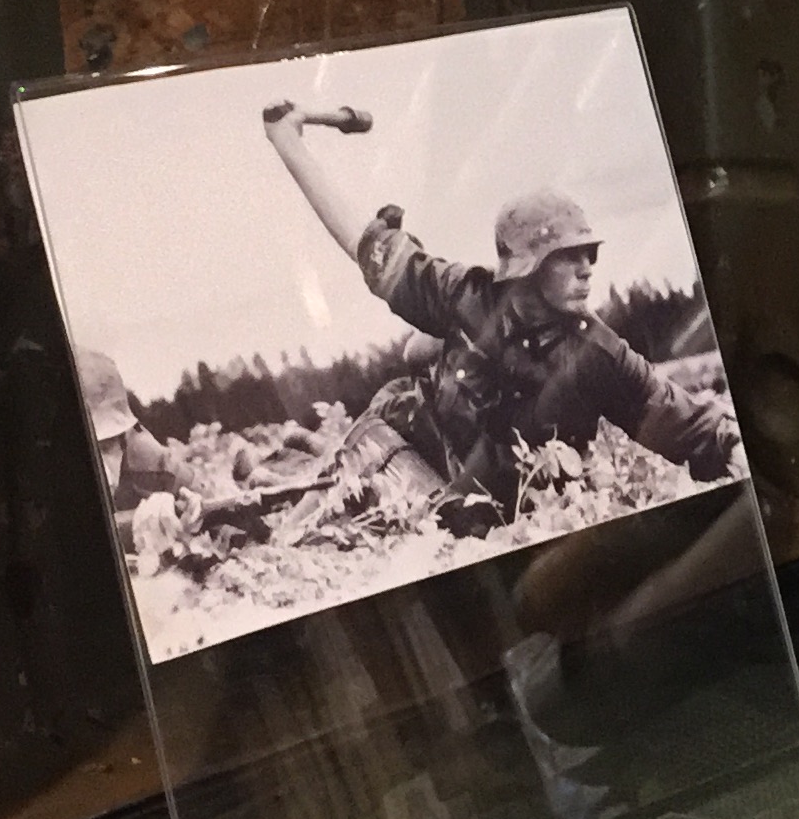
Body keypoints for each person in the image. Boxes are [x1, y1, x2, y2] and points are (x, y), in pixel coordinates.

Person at [258, 99, 738, 514]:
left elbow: (687, 425)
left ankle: (303, 460)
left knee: (446, 516)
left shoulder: (598, 354)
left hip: (480, 501)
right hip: (404, 444)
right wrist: (288, 143)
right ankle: (294, 469)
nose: (587, 269)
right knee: (332, 512)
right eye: (568, 256)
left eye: (588, 254)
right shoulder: (465, 295)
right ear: (529, 266)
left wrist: (737, 451)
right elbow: (369, 247)